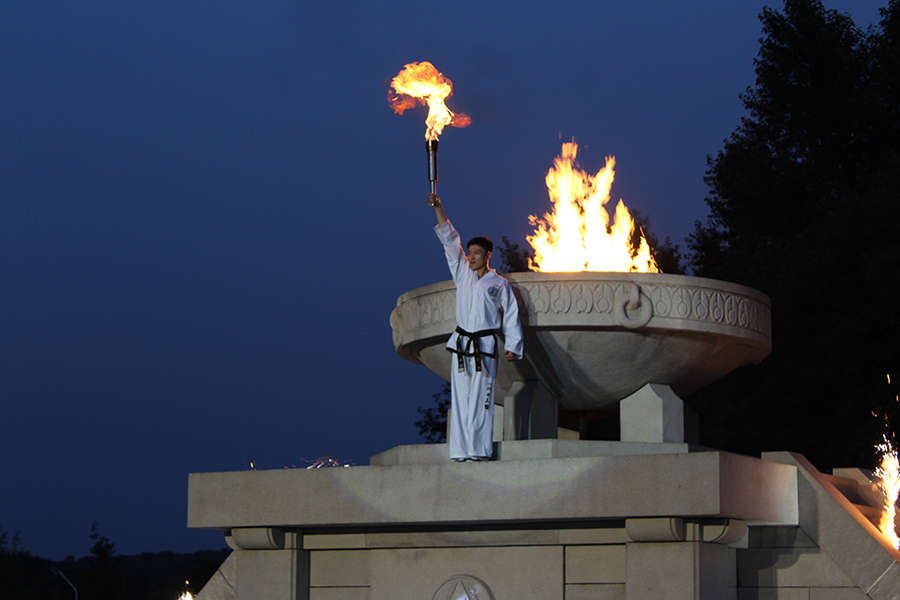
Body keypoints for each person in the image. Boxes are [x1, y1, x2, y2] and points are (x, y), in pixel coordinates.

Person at [428, 192, 524, 462]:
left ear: (488, 255)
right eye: (469, 252)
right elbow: (449, 239)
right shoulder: (463, 275)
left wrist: (513, 345)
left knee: (481, 399)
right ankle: (460, 451)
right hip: (461, 343)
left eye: (476, 253)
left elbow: (511, 314)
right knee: (460, 399)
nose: (470, 256)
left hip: (485, 345)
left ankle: (478, 451)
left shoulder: (498, 284)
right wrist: (439, 207)